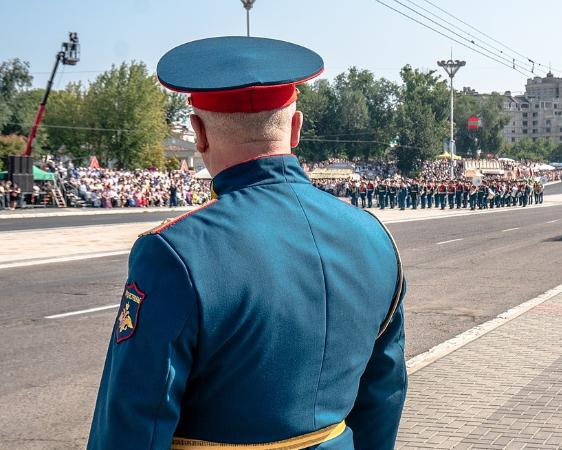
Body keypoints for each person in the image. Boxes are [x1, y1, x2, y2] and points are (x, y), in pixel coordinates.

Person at [88, 36, 407, 450]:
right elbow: (384, 395)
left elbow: (134, 421)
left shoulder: (175, 251)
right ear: (296, 128)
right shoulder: (373, 236)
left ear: (198, 132)